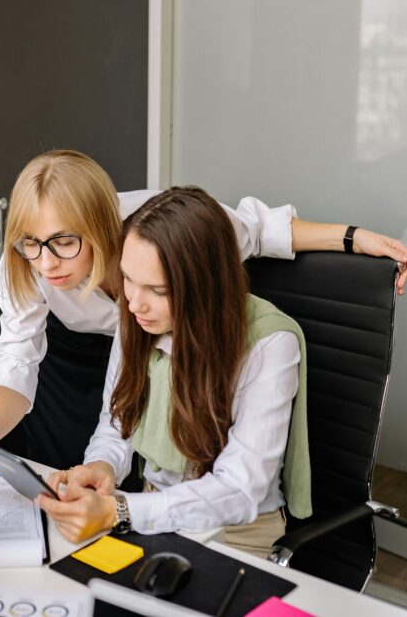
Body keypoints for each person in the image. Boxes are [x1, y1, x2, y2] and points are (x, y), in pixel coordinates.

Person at [0, 150, 407, 475]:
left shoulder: (166, 232)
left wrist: (355, 238)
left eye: (64, 242)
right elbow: (17, 358)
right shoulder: (26, 261)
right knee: (87, 467)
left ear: (101, 224)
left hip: (159, 351)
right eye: (31, 242)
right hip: (74, 361)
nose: (46, 261)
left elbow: (259, 230)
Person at [39, 186, 309, 558]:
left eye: (158, 289)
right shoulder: (136, 317)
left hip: (237, 535)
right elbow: (118, 421)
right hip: (150, 516)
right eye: (127, 279)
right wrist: (100, 466)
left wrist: (121, 510)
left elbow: (240, 488)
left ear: (206, 285)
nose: (134, 301)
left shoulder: (269, 344)